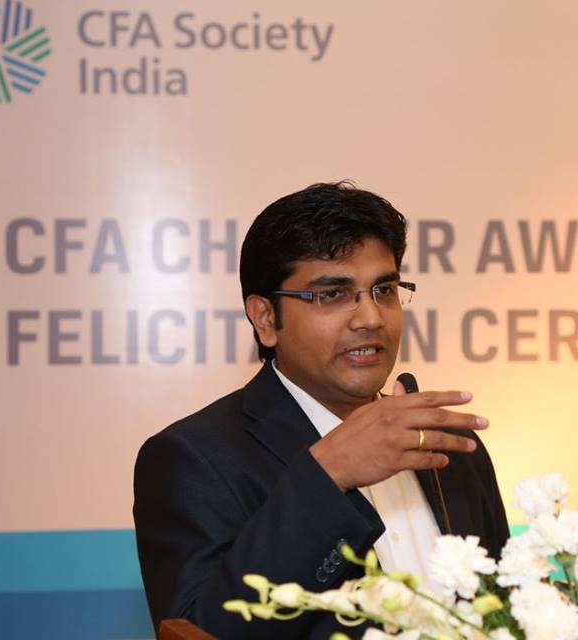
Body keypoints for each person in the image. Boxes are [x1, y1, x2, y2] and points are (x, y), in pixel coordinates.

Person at [133, 182, 509, 639]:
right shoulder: (194, 461)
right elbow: (200, 631)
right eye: (332, 294)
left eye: (384, 289)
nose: (370, 318)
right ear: (266, 319)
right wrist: (326, 476)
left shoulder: (450, 448)